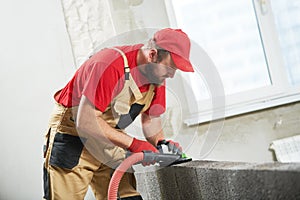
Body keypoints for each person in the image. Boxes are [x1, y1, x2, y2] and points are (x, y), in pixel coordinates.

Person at [43, 28, 194, 200]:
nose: (172, 75)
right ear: (152, 55)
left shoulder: (157, 76)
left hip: (108, 138)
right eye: (170, 68)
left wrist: (161, 144)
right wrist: (135, 144)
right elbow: (85, 121)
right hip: (73, 136)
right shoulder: (110, 64)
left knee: (125, 197)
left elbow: (151, 118)